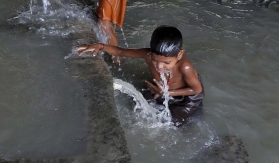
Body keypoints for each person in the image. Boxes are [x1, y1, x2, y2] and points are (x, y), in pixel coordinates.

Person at [76, 26, 204, 126]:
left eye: (166, 63)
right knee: (140, 105)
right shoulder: (147, 54)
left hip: (186, 96)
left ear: (180, 55)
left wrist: (168, 93)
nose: (159, 67)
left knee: (173, 123)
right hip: (163, 89)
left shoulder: (185, 67)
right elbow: (121, 51)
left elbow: (197, 90)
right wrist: (101, 46)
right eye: (155, 60)